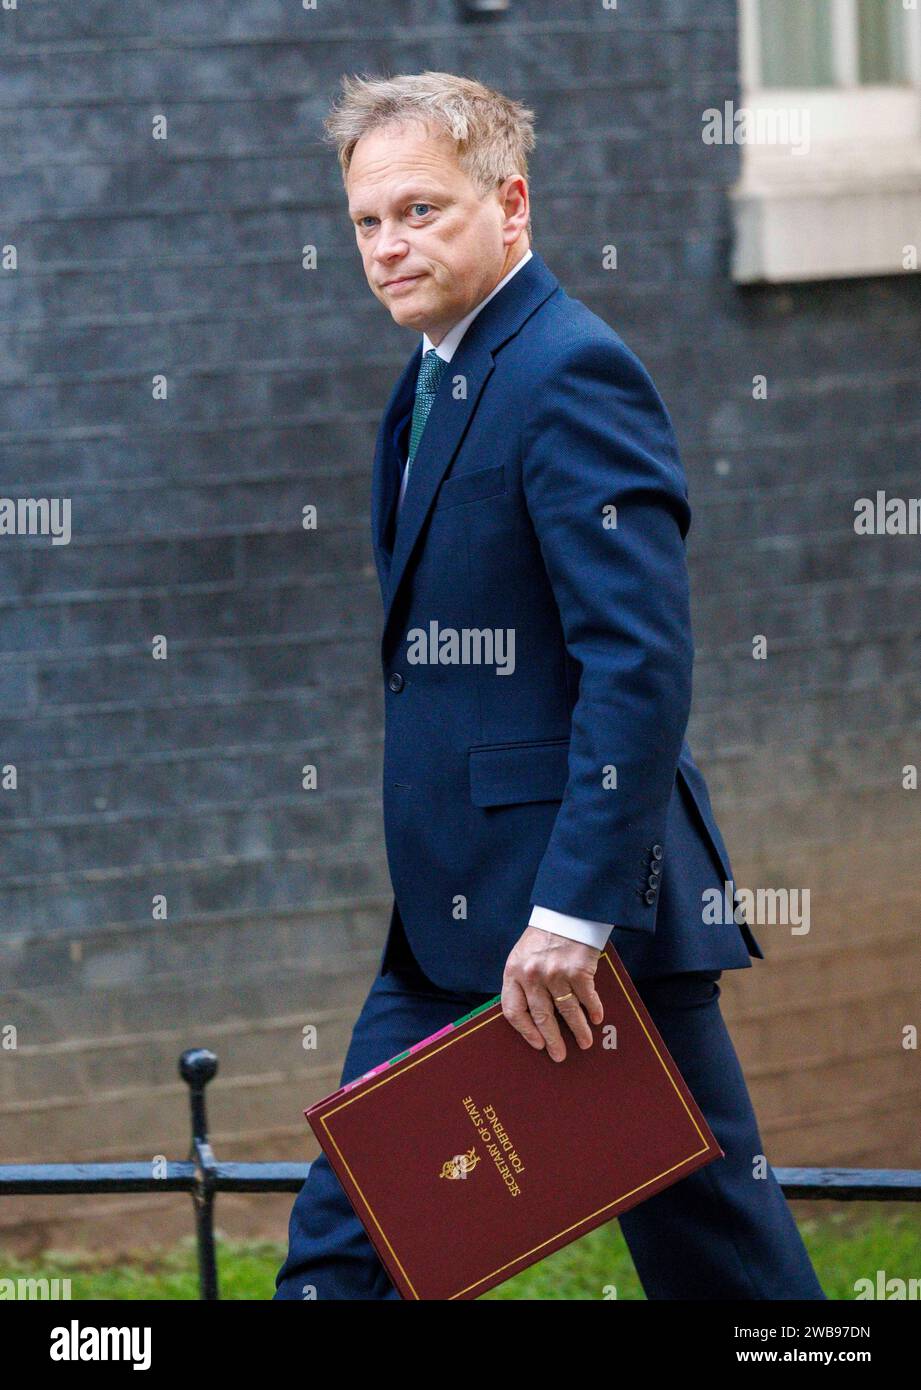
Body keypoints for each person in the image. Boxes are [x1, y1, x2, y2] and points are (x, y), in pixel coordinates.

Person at [274, 71, 825, 1301]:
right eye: (366, 221)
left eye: (420, 210)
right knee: (346, 1248)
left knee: (726, 1270)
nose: (387, 244)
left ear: (510, 205)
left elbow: (639, 661)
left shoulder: (571, 372)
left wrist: (574, 918)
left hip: (581, 933)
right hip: (452, 919)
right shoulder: (428, 382)